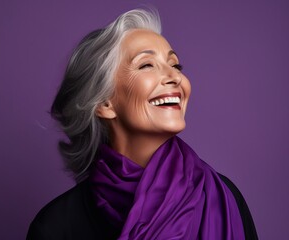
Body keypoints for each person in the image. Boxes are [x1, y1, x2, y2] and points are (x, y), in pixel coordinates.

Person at [27, 9, 258, 240]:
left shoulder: (223, 197)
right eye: (147, 65)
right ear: (104, 103)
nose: (175, 77)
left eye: (175, 65)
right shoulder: (56, 227)